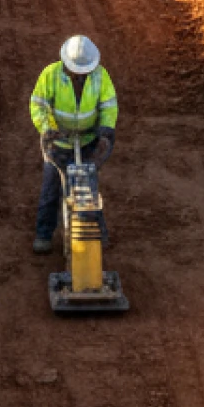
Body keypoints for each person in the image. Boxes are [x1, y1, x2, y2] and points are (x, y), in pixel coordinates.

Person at [28, 34, 118, 255]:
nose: (79, 74)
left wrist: (105, 130)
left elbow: (109, 106)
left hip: (88, 142)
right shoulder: (50, 75)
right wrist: (47, 129)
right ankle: (43, 234)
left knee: (88, 191)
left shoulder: (100, 76)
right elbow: (38, 105)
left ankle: (96, 234)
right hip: (58, 143)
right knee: (51, 189)